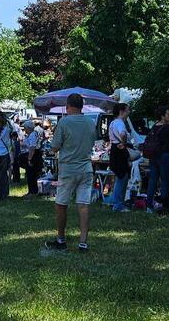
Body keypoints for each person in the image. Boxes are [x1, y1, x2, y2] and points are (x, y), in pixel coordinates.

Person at [45, 93, 97, 252]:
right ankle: (83, 242)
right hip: (86, 168)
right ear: (82, 106)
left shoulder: (64, 122)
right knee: (84, 205)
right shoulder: (90, 122)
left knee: (61, 204)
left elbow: (54, 147)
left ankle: (61, 239)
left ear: (68, 106)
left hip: (68, 169)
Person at [144, 105, 169, 213]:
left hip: (153, 156)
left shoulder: (154, 126)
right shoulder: (167, 127)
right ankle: (163, 205)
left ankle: (149, 205)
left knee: (153, 180)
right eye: (168, 114)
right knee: (165, 181)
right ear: (163, 116)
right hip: (164, 155)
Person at [107, 102, 137, 211]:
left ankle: (115, 202)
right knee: (122, 178)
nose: (129, 112)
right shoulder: (120, 123)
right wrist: (124, 143)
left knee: (120, 178)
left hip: (115, 150)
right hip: (120, 151)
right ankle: (118, 205)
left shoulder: (113, 123)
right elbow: (123, 134)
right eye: (127, 110)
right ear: (121, 111)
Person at [21, 120, 43, 198]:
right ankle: (32, 191)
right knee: (31, 174)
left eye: (25, 128)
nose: (24, 129)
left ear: (28, 128)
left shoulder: (32, 135)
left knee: (31, 174)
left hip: (33, 156)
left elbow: (32, 147)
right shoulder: (31, 135)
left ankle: (32, 192)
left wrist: (29, 159)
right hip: (33, 154)